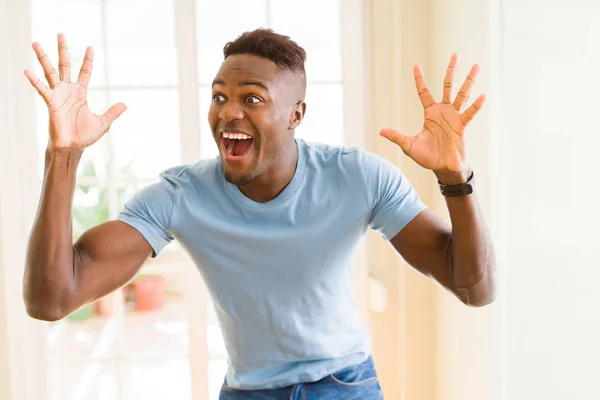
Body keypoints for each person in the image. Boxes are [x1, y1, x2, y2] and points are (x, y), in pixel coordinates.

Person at [23, 29, 496, 399]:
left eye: (251, 98)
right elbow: (51, 300)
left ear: (296, 115)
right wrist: (62, 155)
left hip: (345, 388)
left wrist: (455, 177)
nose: (229, 112)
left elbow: (474, 287)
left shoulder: (360, 176)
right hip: (247, 393)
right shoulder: (181, 195)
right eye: (219, 96)